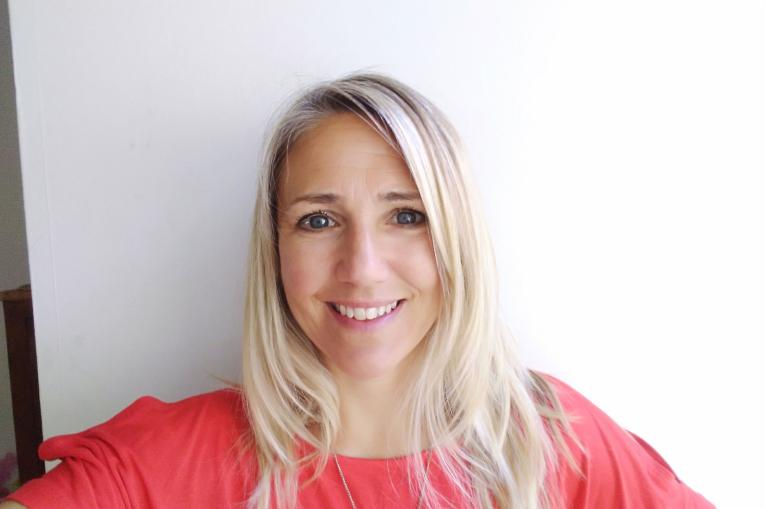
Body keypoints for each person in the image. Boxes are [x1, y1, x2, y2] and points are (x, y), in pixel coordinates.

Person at [1, 73, 715, 509]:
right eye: (318, 220)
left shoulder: (553, 443)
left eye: (406, 215)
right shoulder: (168, 460)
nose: (362, 266)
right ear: (275, 249)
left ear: (456, 238)